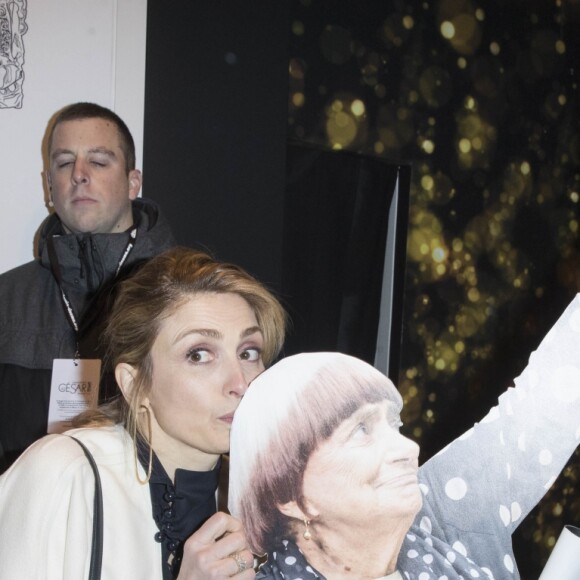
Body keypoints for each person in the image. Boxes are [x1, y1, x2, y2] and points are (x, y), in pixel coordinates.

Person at [229, 295, 580, 580]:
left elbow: (546, 403)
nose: (406, 447)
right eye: (362, 430)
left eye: (394, 424)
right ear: (292, 496)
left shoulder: (443, 515)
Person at [0, 246, 287, 579]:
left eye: (249, 352)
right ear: (134, 383)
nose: (240, 382)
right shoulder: (65, 472)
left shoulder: (265, 495)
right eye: (198, 355)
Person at [0, 102, 176, 472]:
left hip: (147, 521)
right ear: (49, 187)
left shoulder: (184, 293)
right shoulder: (7, 299)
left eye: (98, 161)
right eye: (64, 163)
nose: (79, 174)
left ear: (133, 182)